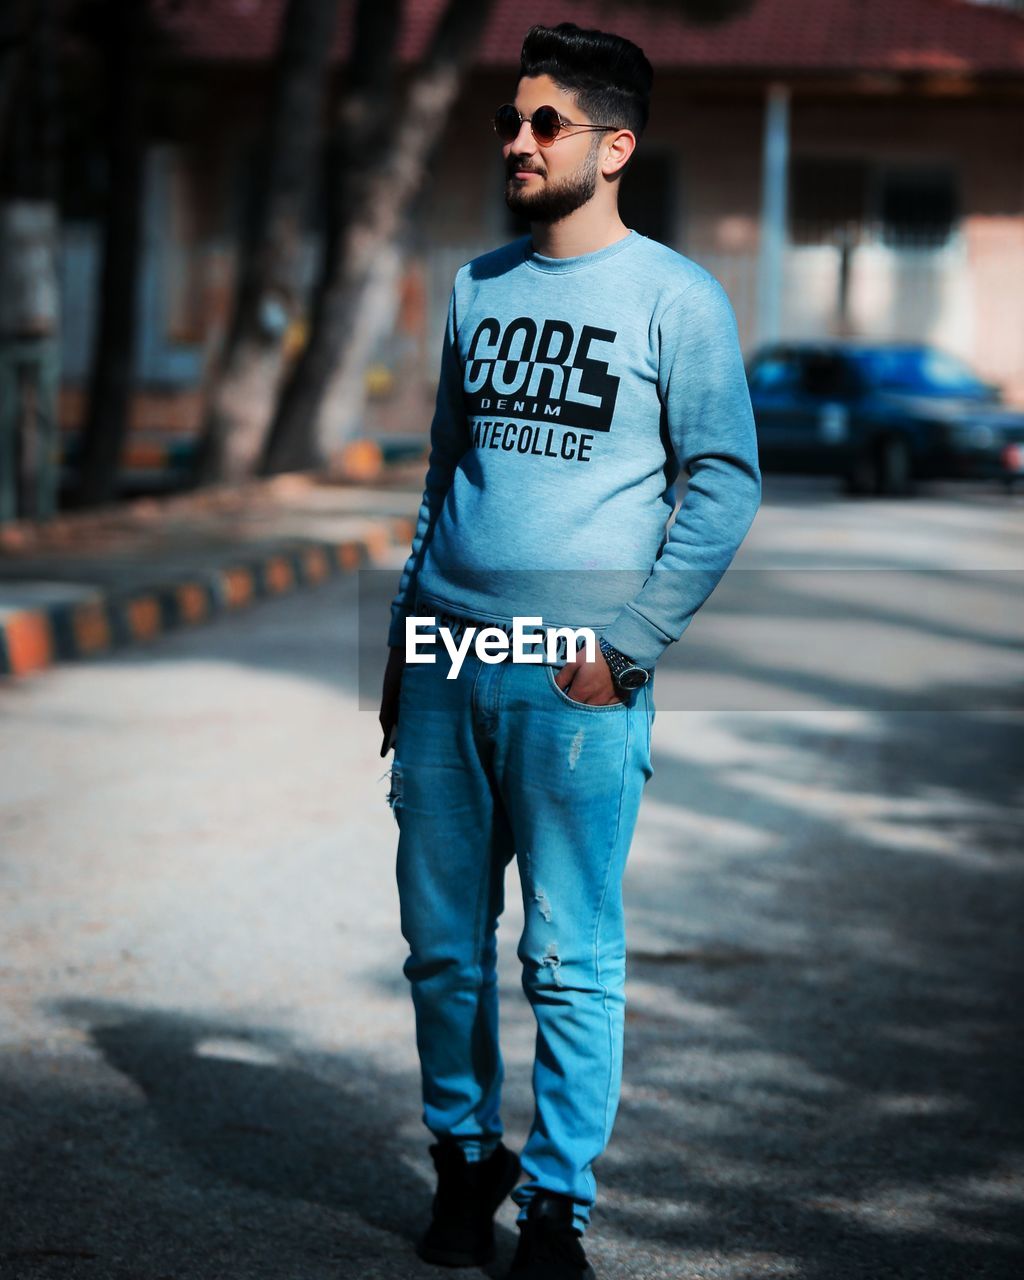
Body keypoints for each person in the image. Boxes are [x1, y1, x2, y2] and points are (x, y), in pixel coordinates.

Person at [378, 21, 761, 1279]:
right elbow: (444, 471)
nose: (521, 141)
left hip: (574, 675)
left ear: (617, 144)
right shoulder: (476, 285)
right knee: (440, 945)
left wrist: (631, 646)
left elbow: (722, 482)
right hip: (446, 660)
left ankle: (553, 1208)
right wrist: (402, 648)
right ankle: (460, 1159)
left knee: (566, 952)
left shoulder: (674, 297)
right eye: (510, 121)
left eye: (547, 123)